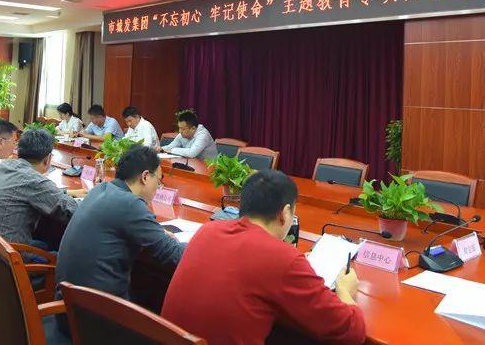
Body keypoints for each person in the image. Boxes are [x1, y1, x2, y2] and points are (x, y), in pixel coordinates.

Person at [162, 169, 366, 344]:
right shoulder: (282, 258)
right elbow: (352, 331)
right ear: (285, 213)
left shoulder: (208, 230)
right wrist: (345, 291)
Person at [56, 145, 185, 299]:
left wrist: (155, 232)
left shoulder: (101, 189)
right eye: (158, 181)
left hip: (68, 299)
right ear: (145, 177)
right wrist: (200, 243)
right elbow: (173, 254)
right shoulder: (131, 204)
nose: (158, 187)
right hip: (97, 307)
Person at [0, 128, 85, 248]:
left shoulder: (5, 166)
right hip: (6, 255)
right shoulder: (34, 180)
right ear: (48, 159)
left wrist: (65, 192)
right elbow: (72, 210)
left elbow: (38, 192)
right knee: (58, 250)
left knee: (44, 242)